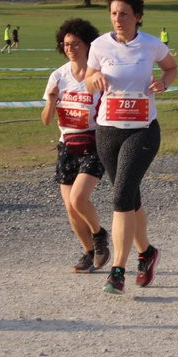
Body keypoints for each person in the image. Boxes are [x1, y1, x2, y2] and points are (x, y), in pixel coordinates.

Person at [85, 0, 178, 294]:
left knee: (121, 196)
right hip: (108, 130)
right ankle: (148, 252)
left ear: (137, 17)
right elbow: (88, 78)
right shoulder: (99, 45)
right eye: (113, 13)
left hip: (142, 129)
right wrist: (93, 79)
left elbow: (171, 68)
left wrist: (163, 82)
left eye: (124, 13)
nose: (117, 19)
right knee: (128, 196)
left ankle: (118, 270)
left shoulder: (151, 45)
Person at [42, 18, 111, 273]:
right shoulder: (58, 76)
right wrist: (50, 100)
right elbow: (47, 120)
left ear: (87, 45)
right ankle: (89, 253)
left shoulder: (97, 77)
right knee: (71, 209)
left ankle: (100, 235)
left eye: (75, 43)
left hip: (93, 142)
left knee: (79, 198)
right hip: (66, 145)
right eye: (66, 43)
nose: (69, 47)